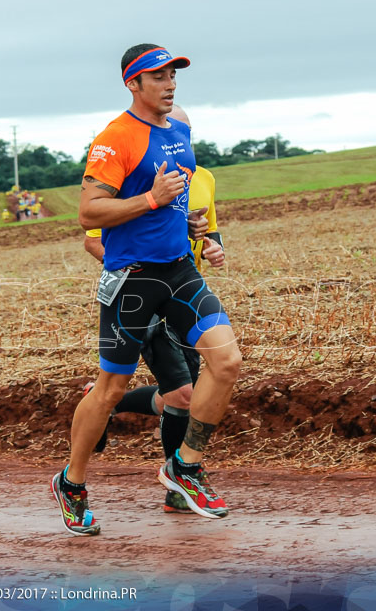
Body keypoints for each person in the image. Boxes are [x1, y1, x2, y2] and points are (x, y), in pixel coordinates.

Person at [51, 43, 241, 536]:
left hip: (179, 272)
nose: (170, 83)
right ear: (133, 84)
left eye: (173, 74)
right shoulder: (115, 140)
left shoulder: (179, 130)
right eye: (157, 76)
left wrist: (192, 223)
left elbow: (177, 200)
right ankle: (72, 482)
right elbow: (90, 214)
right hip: (132, 281)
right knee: (110, 389)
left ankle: (185, 467)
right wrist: (152, 199)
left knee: (227, 363)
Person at [82, 147, 225, 514]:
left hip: (186, 295)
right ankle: (179, 485)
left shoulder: (203, 177)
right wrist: (141, 270)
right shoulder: (134, 176)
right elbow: (93, 238)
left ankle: (114, 408)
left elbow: (210, 228)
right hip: (141, 293)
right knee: (183, 395)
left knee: (181, 396)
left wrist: (212, 247)